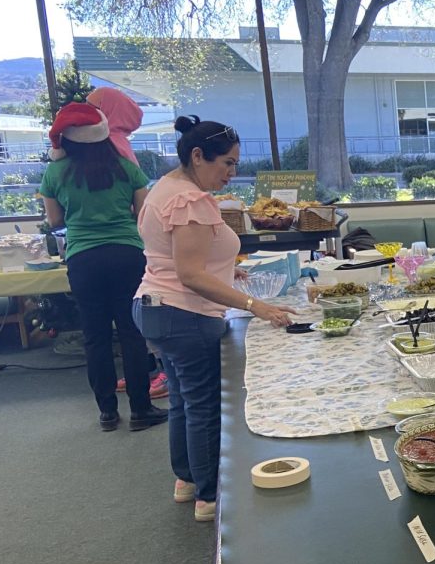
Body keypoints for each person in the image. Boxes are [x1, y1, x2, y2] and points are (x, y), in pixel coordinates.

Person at [132, 116, 293, 523]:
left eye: (236, 164)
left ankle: (187, 481)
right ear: (198, 155)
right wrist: (255, 305)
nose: (231, 173)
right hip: (183, 313)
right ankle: (209, 496)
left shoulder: (164, 188)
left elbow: (174, 256)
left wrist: (227, 268)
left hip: (155, 306)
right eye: (226, 163)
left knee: (184, 401)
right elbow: (190, 274)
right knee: (204, 404)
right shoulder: (192, 200)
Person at [39, 102, 167, 432]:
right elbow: (142, 214)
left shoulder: (55, 173)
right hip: (126, 254)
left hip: (84, 258)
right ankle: (141, 409)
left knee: (95, 337)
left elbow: (54, 220)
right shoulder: (126, 167)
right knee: (131, 332)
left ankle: (107, 412)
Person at [89, 85, 170, 400]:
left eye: (93, 106)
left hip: (109, 245)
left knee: (120, 324)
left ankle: (150, 379)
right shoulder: (119, 145)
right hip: (126, 244)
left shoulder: (110, 146)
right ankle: (142, 386)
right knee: (130, 321)